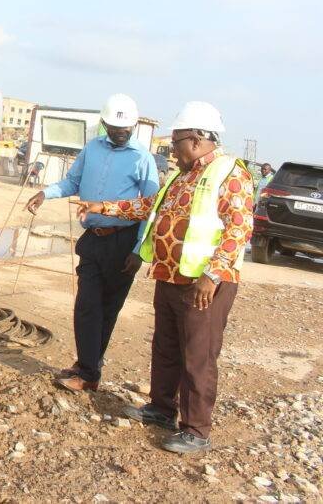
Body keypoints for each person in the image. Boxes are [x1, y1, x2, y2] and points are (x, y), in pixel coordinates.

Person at [74, 101, 253, 454]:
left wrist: (212, 275)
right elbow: (149, 206)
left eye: (178, 141)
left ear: (199, 139)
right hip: (171, 276)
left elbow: (239, 228)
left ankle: (197, 430)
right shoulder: (181, 174)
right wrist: (103, 207)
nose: (172, 147)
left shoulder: (230, 174)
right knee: (166, 346)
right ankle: (160, 408)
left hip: (204, 284)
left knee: (197, 354)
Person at [25, 94, 159, 392]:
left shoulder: (143, 159)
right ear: (105, 125)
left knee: (107, 309)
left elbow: (151, 208)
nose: (120, 134)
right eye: (114, 129)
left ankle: (89, 370)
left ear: (134, 126)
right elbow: (73, 181)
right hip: (93, 240)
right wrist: (46, 193)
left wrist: (139, 250)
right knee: (87, 305)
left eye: (125, 130)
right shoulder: (92, 149)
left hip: (123, 243)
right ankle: (87, 369)